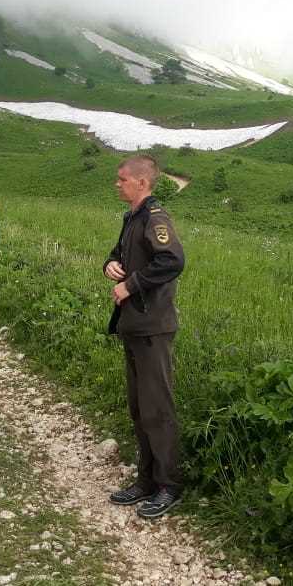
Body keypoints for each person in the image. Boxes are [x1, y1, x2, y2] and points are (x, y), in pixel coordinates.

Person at [103, 154, 186, 518]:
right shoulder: (131, 218)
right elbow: (121, 254)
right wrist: (109, 265)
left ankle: (169, 485)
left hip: (153, 327)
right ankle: (146, 480)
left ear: (142, 183)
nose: (117, 184)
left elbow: (172, 261)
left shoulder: (156, 218)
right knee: (139, 408)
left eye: (122, 179)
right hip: (134, 326)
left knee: (158, 409)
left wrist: (131, 286)